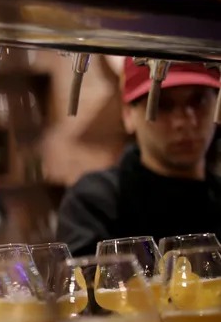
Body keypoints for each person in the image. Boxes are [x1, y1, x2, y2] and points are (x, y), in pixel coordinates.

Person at [56, 57, 221, 259]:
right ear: (127, 114)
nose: (184, 121)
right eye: (160, 104)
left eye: (198, 101)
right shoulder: (95, 203)